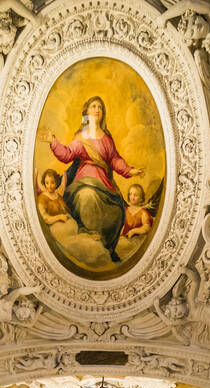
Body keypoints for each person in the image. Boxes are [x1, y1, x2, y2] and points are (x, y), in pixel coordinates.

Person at [38, 95, 143, 264]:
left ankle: (107, 247)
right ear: (87, 111)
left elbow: (115, 159)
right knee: (87, 196)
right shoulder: (81, 137)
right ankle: (86, 233)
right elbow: (66, 154)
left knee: (116, 210)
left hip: (103, 182)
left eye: (100, 107)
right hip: (84, 180)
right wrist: (53, 141)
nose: (97, 110)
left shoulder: (107, 139)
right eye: (93, 106)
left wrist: (130, 170)